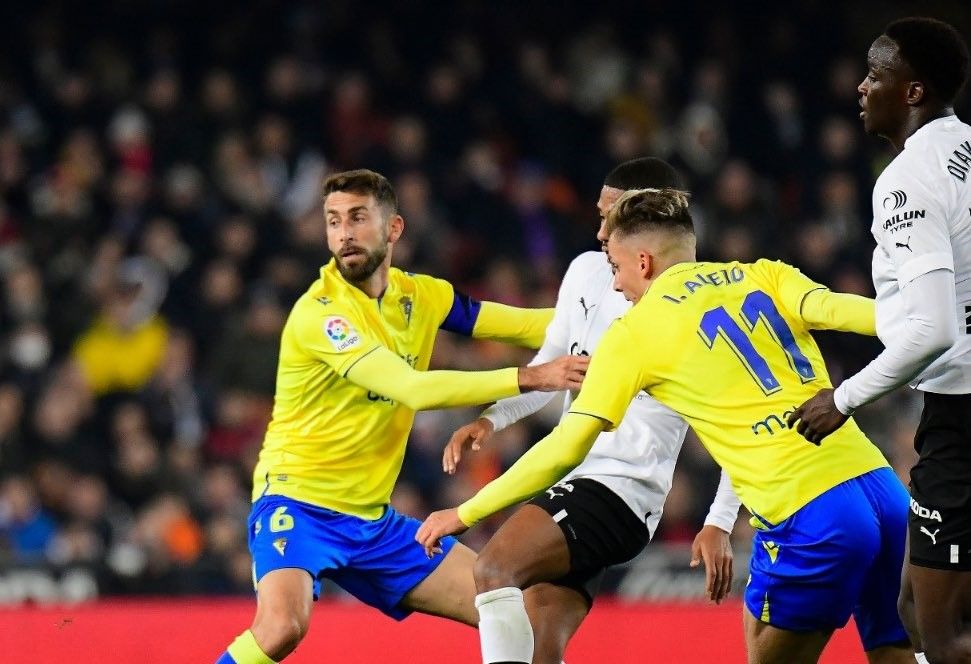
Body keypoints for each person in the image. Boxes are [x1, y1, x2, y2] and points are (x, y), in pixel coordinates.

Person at [417, 188, 914, 664]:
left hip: (810, 507)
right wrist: (934, 320)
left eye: (614, 267)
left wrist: (465, 512)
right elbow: (852, 312)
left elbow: (566, 447)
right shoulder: (764, 274)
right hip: (881, 487)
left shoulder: (637, 331)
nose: (614, 285)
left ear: (643, 262)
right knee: (893, 652)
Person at [215, 169, 588, 664]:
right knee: (283, 627)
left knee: (509, 612)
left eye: (357, 218)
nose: (343, 233)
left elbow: (527, 324)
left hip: (373, 522)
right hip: (297, 504)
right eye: (332, 222)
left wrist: (609, 315)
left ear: (393, 229)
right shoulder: (322, 315)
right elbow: (411, 388)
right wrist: (531, 378)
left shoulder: (424, 297)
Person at [441, 157, 740, 664]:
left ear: (646, 219)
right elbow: (554, 368)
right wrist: (492, 418)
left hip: (620, 491)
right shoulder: (586, 272)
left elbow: (742, 423)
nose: (599, 231)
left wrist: (720, 521)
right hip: (578, 481)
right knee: (538, 647)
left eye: (611, 216)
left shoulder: (706, 309)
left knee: (492, 571)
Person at [788, 17, 971, 664]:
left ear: (913, 91)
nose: (860, 87)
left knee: (941, 633)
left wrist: (841, 399)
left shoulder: (906, 181)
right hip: (952, 408)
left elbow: (931, 328)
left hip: (960, 417)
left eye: (875, 74)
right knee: (912, 611)